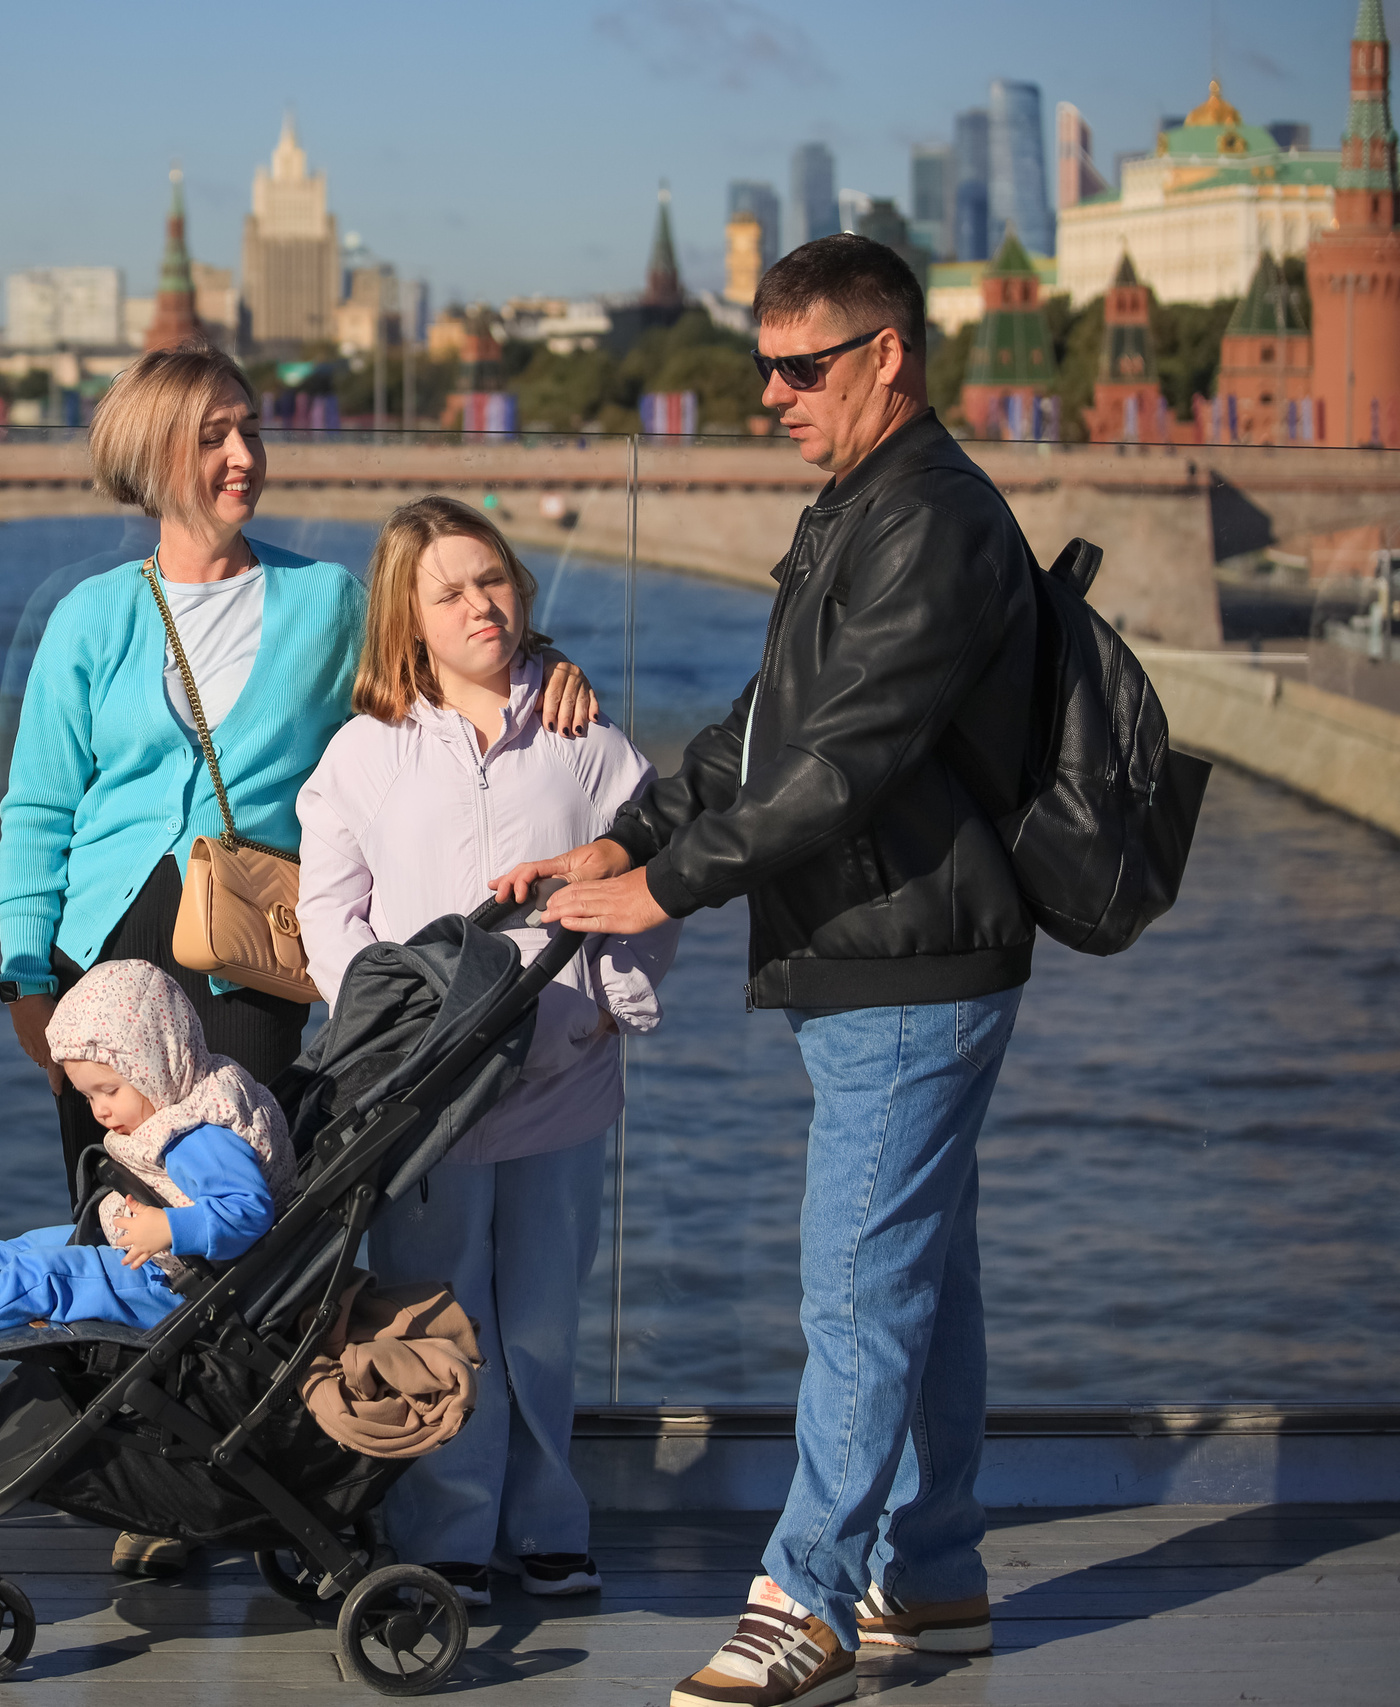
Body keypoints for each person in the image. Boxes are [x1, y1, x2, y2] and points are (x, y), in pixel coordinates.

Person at [502, 235, 1039, 1707]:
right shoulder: (859, 509)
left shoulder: (930, 521)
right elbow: (760, 730)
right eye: (762, 368)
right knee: (922, 1271)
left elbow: (847, 759)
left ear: (889, 357)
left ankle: (806, 1596)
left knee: (858, 1283)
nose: (772, 395)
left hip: (910, 951)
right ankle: (932, 1573)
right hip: (884, 941)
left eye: (803, 367)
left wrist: (667, 881)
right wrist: (623, 836)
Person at [0, 343, 594, 1575]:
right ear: (155, 454)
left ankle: (271, 1484)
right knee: (121, 1233)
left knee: (264, 1229)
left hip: (253, 965)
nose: (242, 457)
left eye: (250, 430)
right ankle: (145, 1495)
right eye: (213, 435)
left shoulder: (321, 601)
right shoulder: (92, 618)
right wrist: (22, 970)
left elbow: (452, 654)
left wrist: (551, 667)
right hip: (105, 962)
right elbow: (37, 807)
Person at [296, 496, 679, 1610]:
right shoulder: (361, 756)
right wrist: (389, 1033)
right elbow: (332, 913)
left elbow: (657, 878)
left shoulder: (588, 742)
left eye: (493, 580)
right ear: (406, 621)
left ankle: (549, 1519)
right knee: (434, 1314)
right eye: (449, 591)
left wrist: (603, 1002)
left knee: (546, 1320)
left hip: (559, 1083)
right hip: (427, 1099)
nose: (479, 605)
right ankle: (447, 1527)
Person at [0, 957, 289, 1385]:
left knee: (42, 1276)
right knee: (35, 1246)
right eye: (89, 1097)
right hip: (162, 1258)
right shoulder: (183, 1095)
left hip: (177, 1287)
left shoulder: (198, 1137)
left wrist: (167, 1227)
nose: (100, 1111)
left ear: (155, 1065)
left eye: (109, 1090)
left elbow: (248, 1212)